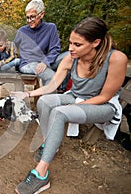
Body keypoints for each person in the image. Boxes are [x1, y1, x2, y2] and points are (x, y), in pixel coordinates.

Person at [11, 17, 127, 194]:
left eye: (77, 44)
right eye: (70, 43)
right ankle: (48, 143)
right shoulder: (70, 58)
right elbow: (52, 86)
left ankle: (41, 175)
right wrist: (27, 94)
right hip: (75, 97)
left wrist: (72, 109)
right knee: (44, 101)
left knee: (59, 113)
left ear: (95, 42)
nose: (71, 48)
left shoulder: (116, 58)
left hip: (104, 105)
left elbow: (105, 96)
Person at [13, 0, 61, 86]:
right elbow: (12, 47)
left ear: (41, 14)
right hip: (27, 64)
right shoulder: (22, 31)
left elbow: (55, 49)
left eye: (32, 17)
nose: (29, 20)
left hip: (43, 60)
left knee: (68, 57)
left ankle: (63, 89)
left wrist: (45, 62)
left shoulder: (51, 28)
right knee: (51, 76)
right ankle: (49, 99)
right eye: (27, 17)